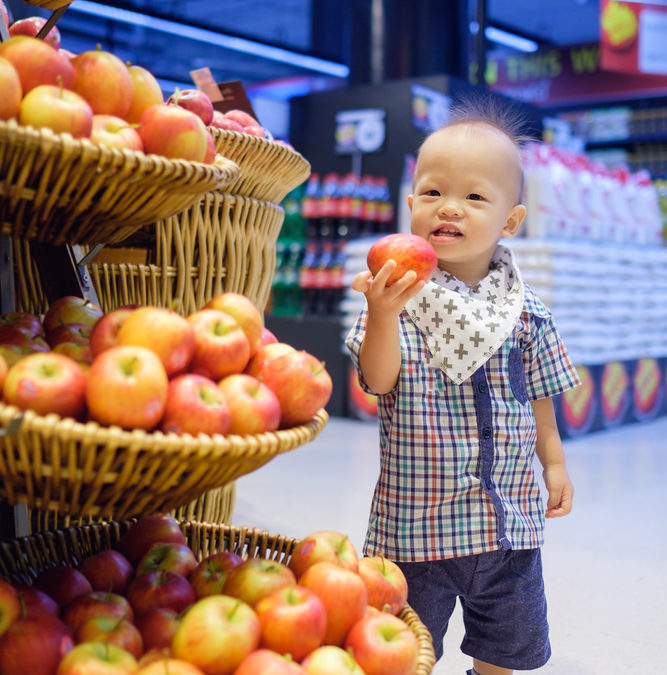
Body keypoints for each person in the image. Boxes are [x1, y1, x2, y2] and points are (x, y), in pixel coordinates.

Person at [345, 97, 581, 675]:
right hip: (415, 528)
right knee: (400, 652)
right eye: (432, 192)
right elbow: (378, 381)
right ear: (411, 204)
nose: (448, 207)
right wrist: (381, 315)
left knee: (509, 651)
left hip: (508, 525)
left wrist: (553, 462)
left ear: (510, 221)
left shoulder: (525, 311)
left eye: (474, 196)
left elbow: (540, 393)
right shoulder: (393, 295)